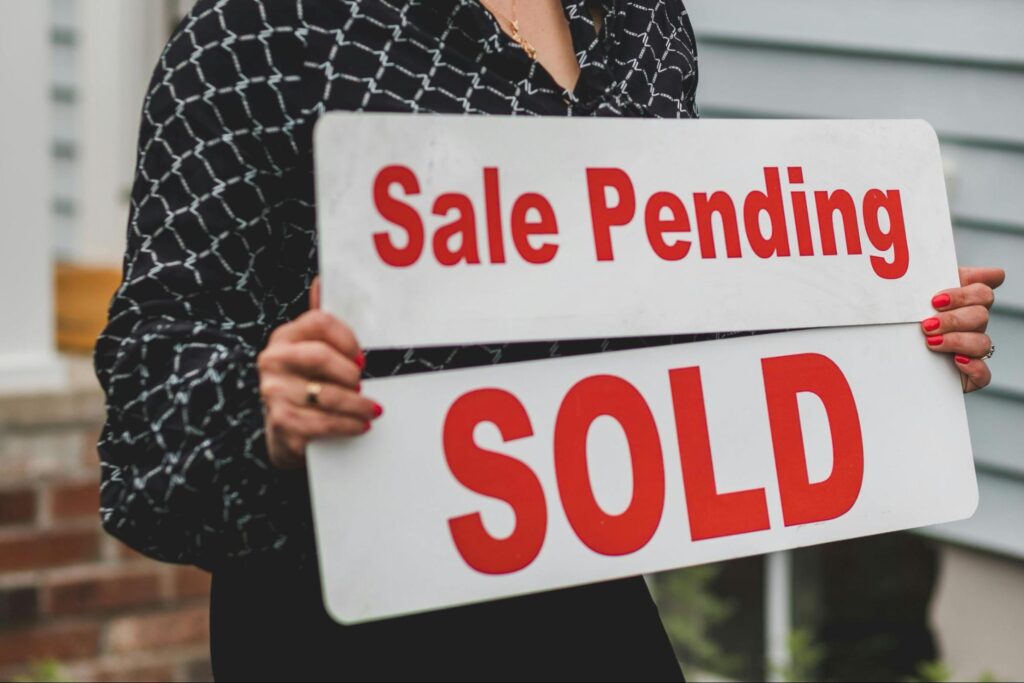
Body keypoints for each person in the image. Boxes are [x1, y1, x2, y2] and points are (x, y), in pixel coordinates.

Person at [93, 1, 1004, 681]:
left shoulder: (644, 22)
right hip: (345, 610)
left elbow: (663, 283)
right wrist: (265, 405)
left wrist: (887, 332)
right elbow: (147, 403)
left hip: (579, 585)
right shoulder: (255, 33)